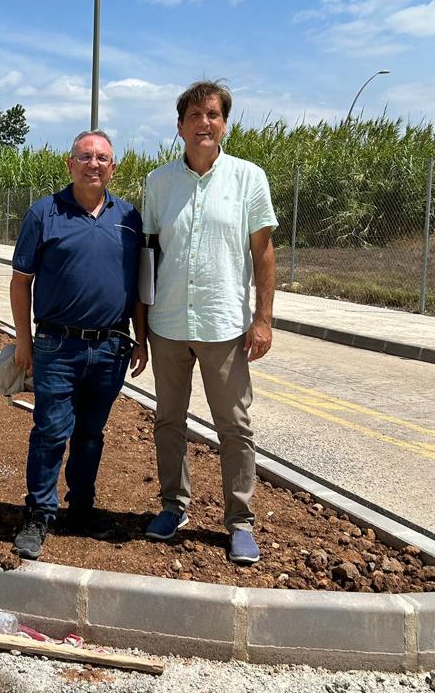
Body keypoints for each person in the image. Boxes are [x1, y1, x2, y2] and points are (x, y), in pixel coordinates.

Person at [141, 80, 277, 565]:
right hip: (169, 324)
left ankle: (239, 522)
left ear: (224, 124)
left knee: (235, 427)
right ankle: (173, 506)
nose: (204, 122)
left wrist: (262, 319)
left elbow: (263, 253)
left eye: (213, 114)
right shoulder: (158, 184)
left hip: (225, 327)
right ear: (180, 126)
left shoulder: (248, 179)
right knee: (168, 421)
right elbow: (148, 258)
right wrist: (141, 329)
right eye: (195, 115)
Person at [8, 130, 149, 560]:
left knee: (91, 435)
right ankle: (38, 515)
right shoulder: (43, 214)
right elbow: (20, 282)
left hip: (110, 349)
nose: (93, 164)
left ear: (113, 167)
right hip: (56, 346)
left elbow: (141, 286)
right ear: (70, 164)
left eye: (102, 158)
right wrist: (23, 341)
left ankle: (82, 509)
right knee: (51, 431)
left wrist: (140, 340)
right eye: (85, 156)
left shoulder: (130, 218)